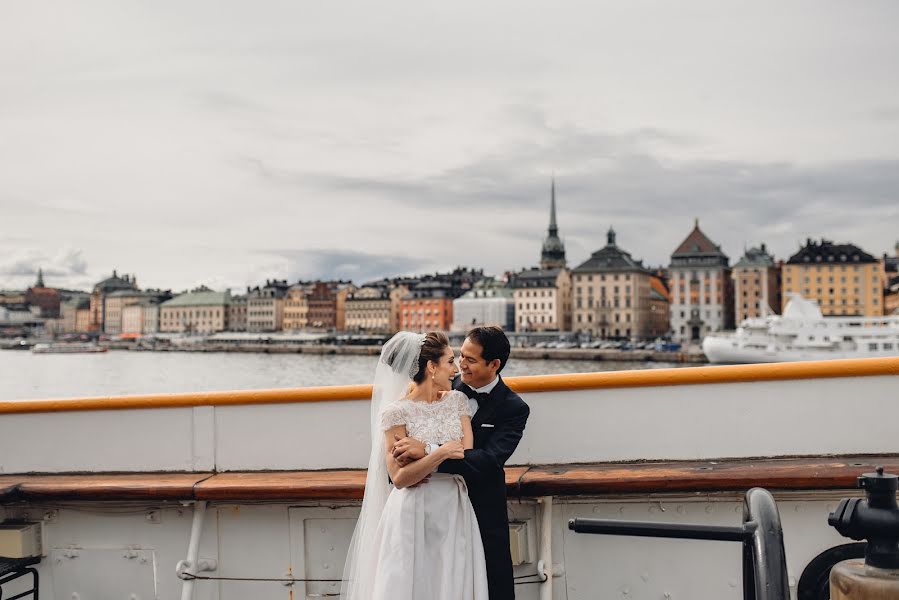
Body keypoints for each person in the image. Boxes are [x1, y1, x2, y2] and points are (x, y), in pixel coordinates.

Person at [339, 331, 489, 600]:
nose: (456, 370)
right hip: (411, 509)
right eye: (450, 361)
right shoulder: (396, 412)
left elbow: (465, 455)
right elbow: (399, 478)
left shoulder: (457, 402)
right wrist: (440, 452)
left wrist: (424, 453)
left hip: (453, 508)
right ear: (432, 367)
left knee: (450, 583)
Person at [393, 326, 530, 600]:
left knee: (490, 589)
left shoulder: (514, 408)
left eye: (470, 360)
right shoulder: (437, 387)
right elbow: (401, 447)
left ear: (494, 365)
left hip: (482, 514)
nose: (460, 365)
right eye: (459, 356)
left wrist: (428, 452)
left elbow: (489, 461)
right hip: (429, 513)